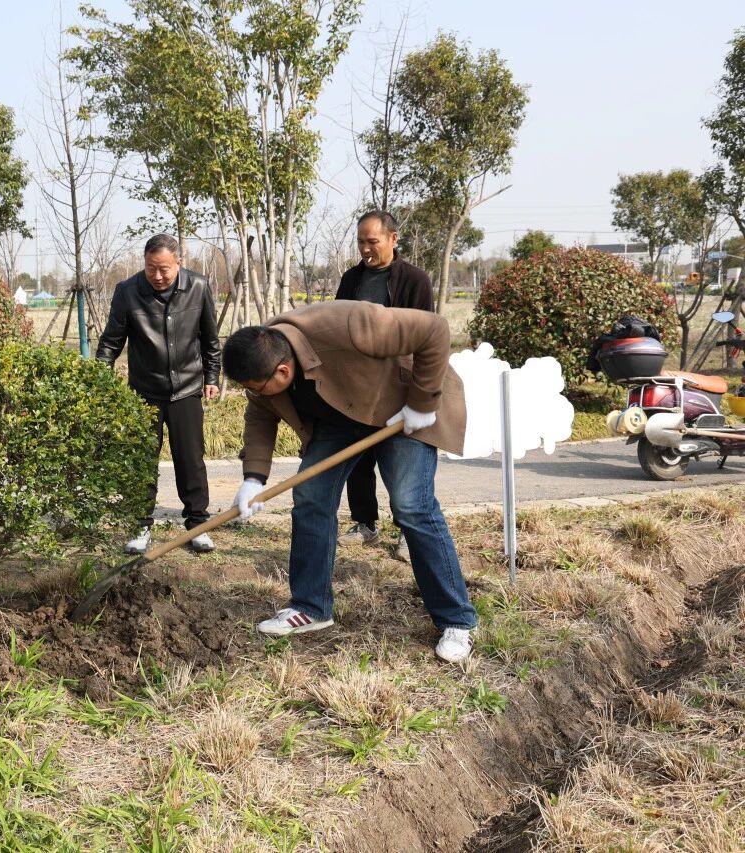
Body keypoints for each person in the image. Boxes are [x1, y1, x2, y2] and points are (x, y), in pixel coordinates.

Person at [222, 300, 477, 663]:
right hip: (341, 419)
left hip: (404, 408)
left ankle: (457, 620)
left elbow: (433, 329)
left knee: (411, 506)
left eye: (260, 387)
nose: (257, 394)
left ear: (282, 370)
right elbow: (260, 415)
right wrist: (253, 478)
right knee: (310, 497)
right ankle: (311, 607)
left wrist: (422, 403)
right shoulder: (261, 360)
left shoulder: (347, 325)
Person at [96, 234, 222, 554]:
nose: (158, 276)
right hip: (144, 392)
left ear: (178, 262)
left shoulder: (198, 287)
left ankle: (198, 524)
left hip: (187, 389)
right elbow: (111, 343)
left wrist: (212, 376)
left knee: (190, 460)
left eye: (164, 268)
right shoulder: (128, 292)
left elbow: (210, 340)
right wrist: (100, 383)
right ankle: (140, 525)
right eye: (151, 268)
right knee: (141, 461)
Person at [335, 210, 434, 561]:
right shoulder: (351, 279)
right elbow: (339, 325)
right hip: (358, 384)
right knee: (358, 459)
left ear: (393, 239)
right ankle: (365, 523)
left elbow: (424, 336)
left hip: (398, 385)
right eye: (361, 241)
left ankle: (408, 530)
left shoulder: (414, 280)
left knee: (401, 462)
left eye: (372, 242)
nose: (365, 249)